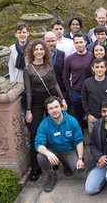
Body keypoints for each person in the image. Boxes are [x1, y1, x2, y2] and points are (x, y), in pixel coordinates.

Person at [24, 38, 67, 181]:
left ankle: (56, 159)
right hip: (36, 101)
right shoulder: (28, 69)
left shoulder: (49, 65)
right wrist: (28, 110)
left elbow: (55, 84)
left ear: (45, 51)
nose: (39, 52)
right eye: (36, 49)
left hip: (51, 98)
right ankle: (35, 168)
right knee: (35, 133)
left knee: (56, 129)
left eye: (41, 49)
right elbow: (28, 91)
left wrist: (62, 100)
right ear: (32, 52)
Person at [35, 97, 85, 192]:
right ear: (48, 111)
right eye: (51, 108)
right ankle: (52, 175)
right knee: (41, 156)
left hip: (69, 151)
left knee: (79, 169)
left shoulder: (72, 121)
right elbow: (38, 144)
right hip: (53, 151)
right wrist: (48, 153)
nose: (54, 110)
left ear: (61, 107)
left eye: (56, 107)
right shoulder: (44, 124)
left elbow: (79, 141)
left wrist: (80, 159)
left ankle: (66, 163)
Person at [63, 33, 93, 124]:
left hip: (91, 91)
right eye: (77, 43)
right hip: (76, 92)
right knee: (78, 116)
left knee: (91, 115)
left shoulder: (92, 56)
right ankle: (80, 132)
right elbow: (65, 76)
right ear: (74, 44)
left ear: (85, 42)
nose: (79, 45)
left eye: (81, 42)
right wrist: (70, 91)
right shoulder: (70, 59)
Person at [44, 32, 70, 105]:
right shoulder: (40, 55)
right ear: (43, 41)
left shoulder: (63, 54)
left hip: (61, 91)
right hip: (45, 91)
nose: (50, 43)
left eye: (53, 41)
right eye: (48, 41)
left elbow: (67, 74)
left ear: (56, 40)